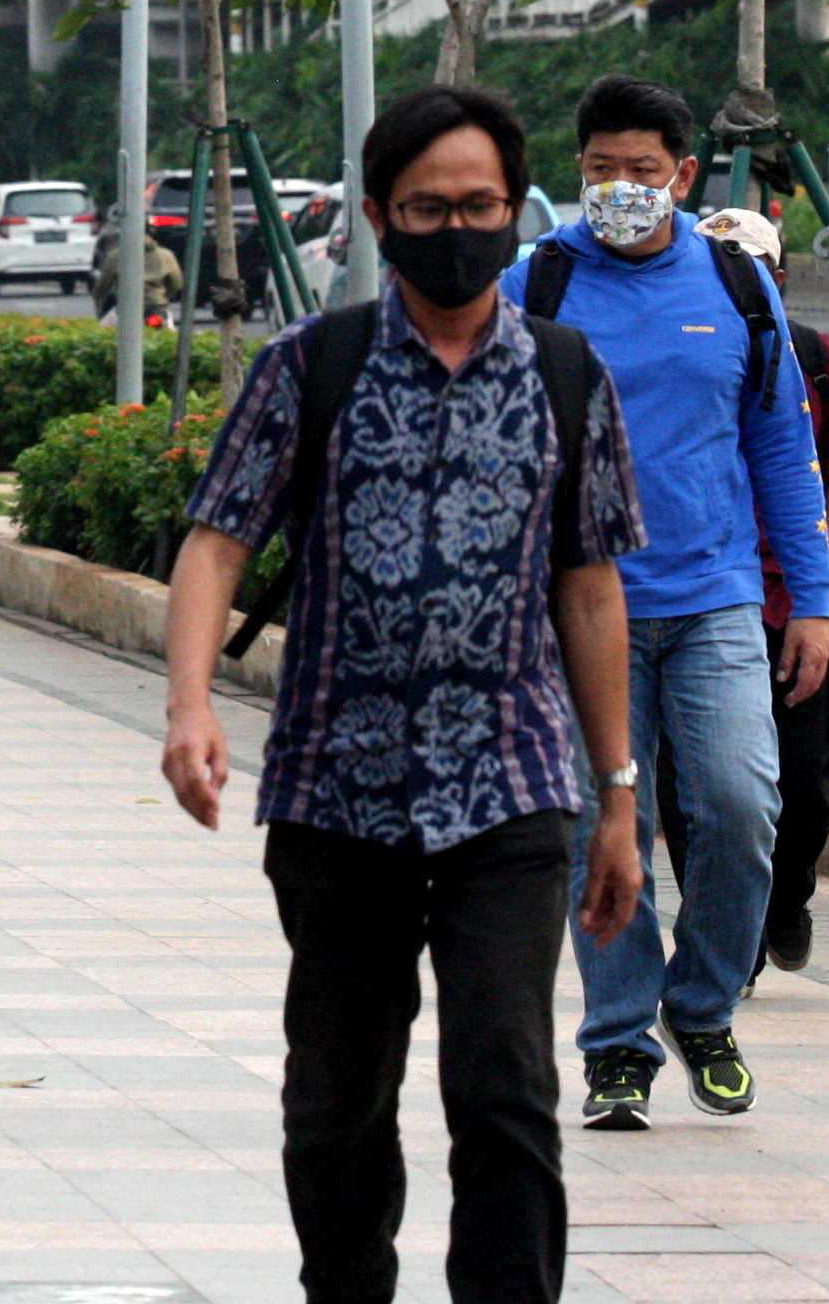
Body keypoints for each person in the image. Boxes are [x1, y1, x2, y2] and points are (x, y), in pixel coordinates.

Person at [160, 85, 647, 1304]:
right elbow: (216, 545)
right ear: (381, 217)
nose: (456, 229)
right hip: (337, 793)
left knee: (505, 1092)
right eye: (428, 207)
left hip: (512, 792)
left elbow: (590, 591)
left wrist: (619, 797)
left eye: (480, 205)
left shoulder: (569, 376)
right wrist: (189, 707)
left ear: (515, 210)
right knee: (335, 1104)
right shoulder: (307, 368)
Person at [514, 75, 829, 1131]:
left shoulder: (739, 286)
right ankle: (616, 1045)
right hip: (581, 610)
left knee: (744, 809)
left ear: (684, 177)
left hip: (716, 599)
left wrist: (815, 601)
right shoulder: (538, 284)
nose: (621, 190)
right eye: (601, 171)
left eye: (643, 173)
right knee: (611, 830)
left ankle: (701, 1008)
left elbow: (783, 449)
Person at [691, 207, 829, 982]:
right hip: (697, 603)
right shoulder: (674, 357)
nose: (735, 280)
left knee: (802, 788)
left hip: (785, 612)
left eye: (751, 265)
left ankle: (785, 897)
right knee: (702, 793)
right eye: (718, 263)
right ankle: (729, 945)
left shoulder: (812, 359)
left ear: (779, 276)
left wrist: (812, 587)